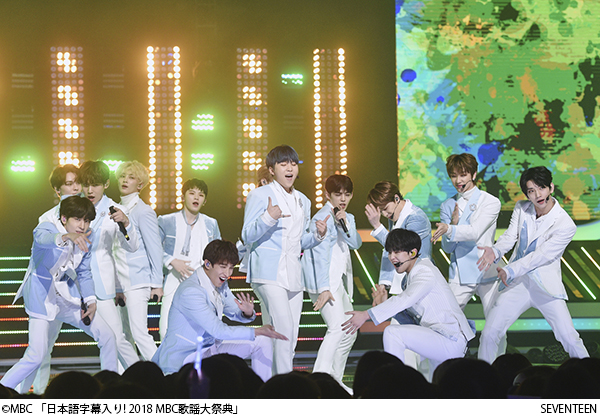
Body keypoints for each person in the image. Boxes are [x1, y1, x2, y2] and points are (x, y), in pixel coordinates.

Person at [0, 196, 118, 391]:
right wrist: (66, 237)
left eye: (86, 220)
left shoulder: (87, 236)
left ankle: (110, 389)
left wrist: (90, 300)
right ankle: (6, 390)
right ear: (64, 218)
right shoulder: (47, 227)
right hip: (41, 297)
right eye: (77, 219)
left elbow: (84, 271)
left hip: (66, 298)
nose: (82, 225)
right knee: (36, 355)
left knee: (107, 336)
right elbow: (42, 239)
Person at [476, 166, 589, 363]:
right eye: (531, 190)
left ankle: (591, 376)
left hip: (545, 287)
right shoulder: (522, 208)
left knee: (569, 337)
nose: (538, 195)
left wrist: (510, 270)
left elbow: (541, 256)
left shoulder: (565, 224)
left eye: (541, 188)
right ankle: (485, 377)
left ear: (551, 187)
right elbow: (509, 237)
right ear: (526, 194)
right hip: (518, 283)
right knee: (489, 333)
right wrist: (495, 251)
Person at [342, 228, 475, 379]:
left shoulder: (424, 271)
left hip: (450, 339)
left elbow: (405, 299)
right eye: (390, 252)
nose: (392, 257)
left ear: (412, 253)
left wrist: (366, 315)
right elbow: (409, 317)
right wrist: (383, 304)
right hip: (439, 338)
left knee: (393, 333)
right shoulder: (411, 276)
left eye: (396, 252)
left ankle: (397, 384)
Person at [242, 145, 327, 375]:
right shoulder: (260, 194)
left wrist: (318, 235)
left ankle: (271, 381)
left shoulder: (303, 200)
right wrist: (268, 218)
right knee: (283, 328)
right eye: (283, 164)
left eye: (293, 164)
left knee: (288, 334)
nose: (290, 168)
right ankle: (286, 385)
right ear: (271, 169)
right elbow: (247, 234)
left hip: (293, 274)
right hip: (268, 272)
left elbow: (300, 241)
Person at [152, 239, 287, 381]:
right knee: (257, 335)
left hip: (210, 350)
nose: (227, 273)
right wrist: (256, 331)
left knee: (262, 341)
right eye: (223, 267)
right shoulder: (191, 291)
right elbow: (218, 330)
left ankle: (262, 388)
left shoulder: (221, 284)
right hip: (185, 357)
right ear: (208, 264)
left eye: (231, 268)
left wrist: (246, 312)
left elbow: (234, 311)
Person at [431, 153, 504, 356]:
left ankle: (495, 367)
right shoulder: (447, 205)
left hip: (487, 271)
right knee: (445, 322)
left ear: (473, 174)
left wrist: (450, 228)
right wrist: (452, 224)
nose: (458, 181)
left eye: (462, 175)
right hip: (460, 273)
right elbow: (448, 248)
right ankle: (448, 365)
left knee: (496, 327)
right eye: (453, 176)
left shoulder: (490, 202)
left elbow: (475, 231)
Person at [78, 160, 140, 370]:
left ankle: (143, 379)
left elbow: (132, 246)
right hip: (70, 284)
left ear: (105, 184)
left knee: (115, 338)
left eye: (95, 184)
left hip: (100, 284)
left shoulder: (116, 209)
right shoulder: (74, 207)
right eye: (86, 184)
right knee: (44, 342)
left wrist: (126, 223)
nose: (90, 190)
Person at [301, 174, 361, 390]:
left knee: (349, 331)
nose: (343, 199)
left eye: (347, 194)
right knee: (337, 328)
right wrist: (324, 289)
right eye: (338, 194)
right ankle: (319, 381)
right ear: (328, 195)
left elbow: (356, 244)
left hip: (338, 281)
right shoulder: (321, 218)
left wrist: (345, 224)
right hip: (324, 283)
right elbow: (319, 257)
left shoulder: (346, 217)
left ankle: (335, 380)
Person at [158, 178, 221, 339]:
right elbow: (154, 249)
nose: (196, 197)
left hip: (201, 285)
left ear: (204, 201)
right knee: (166, 331)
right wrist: (172, 261)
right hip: (174, 281)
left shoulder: (211, 224)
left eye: (201, 195)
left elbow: (219, 254)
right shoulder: (166, 221)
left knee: (200, 334)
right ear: (183, 196)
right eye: (192, 193)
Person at [113, 161, 163, 361]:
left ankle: (164, 373)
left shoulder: (143, 211)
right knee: (123, 336)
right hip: (119, 282)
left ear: (140, 184)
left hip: (138, 279)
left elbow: (155, 248)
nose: (125, 180)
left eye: (131, 177)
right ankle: (128, 376)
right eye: (122, 176)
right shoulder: (115, 208)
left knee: (140, 333)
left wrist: (157, 284)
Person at [365, 181, 431, 296]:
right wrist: (384, 283)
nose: (385, 214)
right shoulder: (395, 217)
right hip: (402, 283)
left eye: (385, 208)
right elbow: (389, 252)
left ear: (396, 198)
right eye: (381, 211)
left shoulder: (416, 218)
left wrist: (377, 226)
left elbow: (401, 248)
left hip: (418, 280)